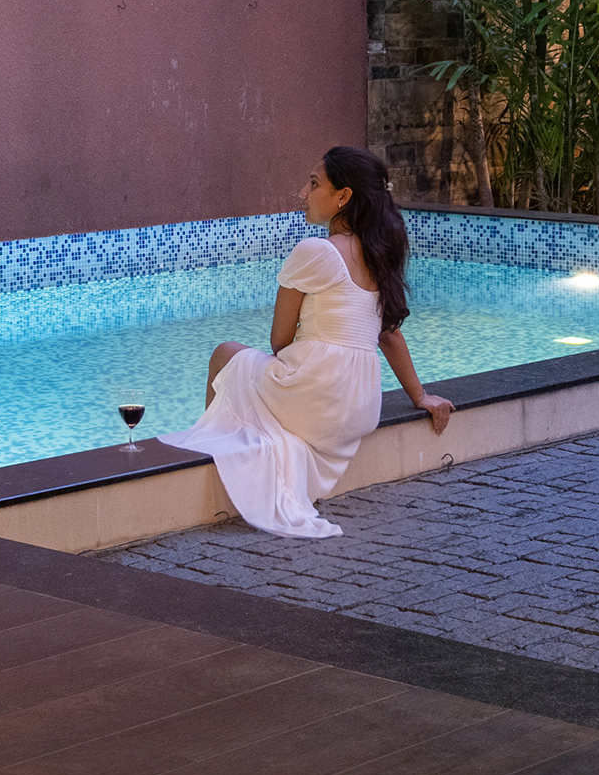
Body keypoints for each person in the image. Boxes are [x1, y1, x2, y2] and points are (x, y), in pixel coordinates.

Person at [159, 145, 456, 538]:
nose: (303, 192)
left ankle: (214, 455)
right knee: (258, 377)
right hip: (360, 407)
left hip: (317, 396)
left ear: (343, 196)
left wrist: (307, 346)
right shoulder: (379, 253)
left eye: (314, 184)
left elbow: (279, 342)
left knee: (225, 354)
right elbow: (389, 334)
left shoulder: (316, 252)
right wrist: (421, 396)